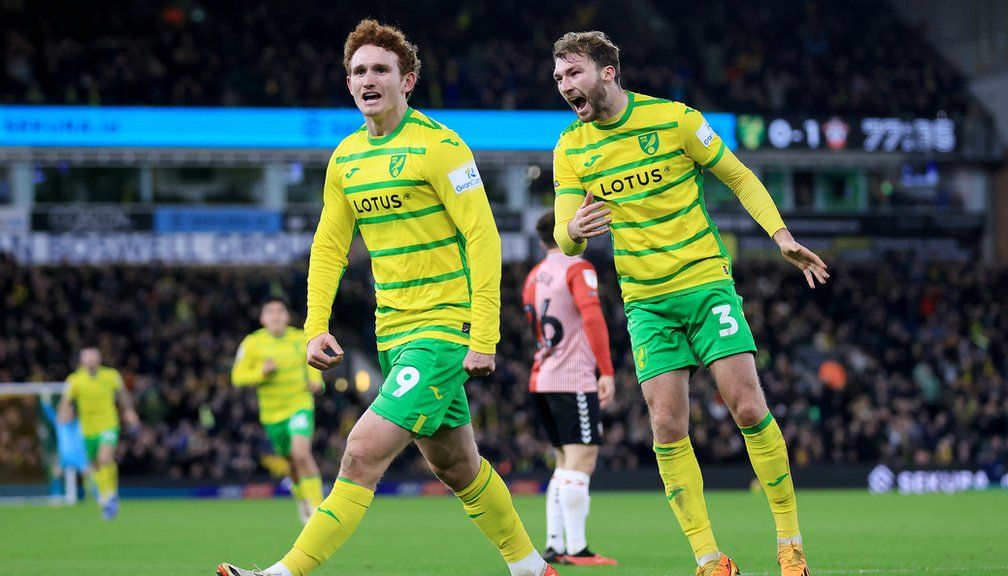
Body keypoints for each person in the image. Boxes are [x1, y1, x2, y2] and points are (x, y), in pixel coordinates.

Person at [218, 19, 556, 576]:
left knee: (361, 451)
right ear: (348, 83)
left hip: (443, 331)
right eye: (358, 71)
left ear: (408, 80)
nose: (367, 79)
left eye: (380, 69)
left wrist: (484, 335)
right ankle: (530, 567)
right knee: (457, 467)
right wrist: (315, 325)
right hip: (393, 334)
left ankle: (281, 574)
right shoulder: (346, 158)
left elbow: (483, 236)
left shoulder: (442, 147)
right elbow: (329, 247)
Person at [550, 31, 828, 576]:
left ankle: (790, 544)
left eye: (573, 73)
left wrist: (781, 236)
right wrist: (573, 231)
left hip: (704, 284)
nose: (564, 86)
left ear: (608, 72)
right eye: (558, 77)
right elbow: (565, 234)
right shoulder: (570, 148)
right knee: (667, 426)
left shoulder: (675, 120)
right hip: (646, 303)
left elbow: (739, 176)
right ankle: (709, 558)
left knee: (748, 407)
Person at [523, 210, 617, 566]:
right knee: (582, 459)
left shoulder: (534, 275)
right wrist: (605, 371)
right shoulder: (578, 267)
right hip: (571, 377)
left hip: (541, 376)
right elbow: (591, 316)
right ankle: (576, 548)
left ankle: (553, 544)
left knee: (564, 462)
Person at [232, 296, 325, 524]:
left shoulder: (299, 338)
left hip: (300, 405)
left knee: (302, 453)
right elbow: (237, 377)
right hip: (272, 414)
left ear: (287, 317)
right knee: (291, 462)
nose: (276, 316)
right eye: (270, 312)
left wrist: (317, 382)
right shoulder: (252, 343)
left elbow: (312, 364)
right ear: (263, 318)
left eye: (280, 311)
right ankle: (302, 499)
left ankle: (319, 511)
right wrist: (261, 372)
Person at [57, 347, 140, 520]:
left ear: (99, 360)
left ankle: (110, 494)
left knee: (105, 458)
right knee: (94, 465)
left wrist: (129, 412)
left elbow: (123, 394)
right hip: (87, 429)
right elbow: (65, 401)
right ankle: (107, 497)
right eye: (87, 359)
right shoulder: (75, 380)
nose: (91, 362)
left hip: (109, 424)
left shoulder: (111, 375)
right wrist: (63, 413)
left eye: (93, 358)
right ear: (82, 361)